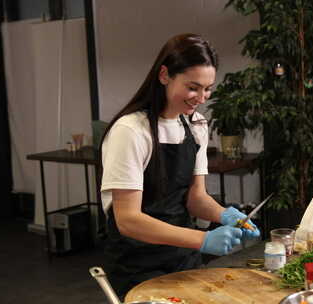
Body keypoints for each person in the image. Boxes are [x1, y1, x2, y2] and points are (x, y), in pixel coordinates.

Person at [99, 33, 260, 297]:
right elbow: (128, 220)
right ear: (164, 75)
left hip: (184, 258)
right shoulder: (131, 130)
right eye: (193, 87)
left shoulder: (196, 125)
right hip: (138, 264)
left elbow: (195, 198)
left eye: (208, 88)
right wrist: (204, 239)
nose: (201, 97)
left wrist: (226, 215)